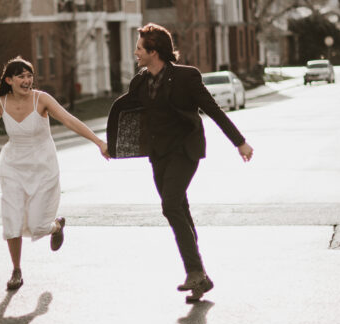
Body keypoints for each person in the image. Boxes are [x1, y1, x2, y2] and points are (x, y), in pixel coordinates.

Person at [107, 24, 253, 302]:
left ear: (154, 51)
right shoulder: (139, 82)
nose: (135, 52)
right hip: (158, 154)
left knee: (171, 205)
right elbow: (129, 116)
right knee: (180, 210)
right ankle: (201, 280)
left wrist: (239, 142)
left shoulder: (187, 77)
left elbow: (213, 110)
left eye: (139, 48)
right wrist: (111, 146)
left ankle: (194, 271)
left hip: (185, 151)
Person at [0, 56, 109, 290]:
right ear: (9, 80)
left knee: (38, 225)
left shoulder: (41, 100)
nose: (27, 80)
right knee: (12, 219)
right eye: (21, 76)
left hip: (43, 165)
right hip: (13, 166)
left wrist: (98, 142)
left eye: (29, 75)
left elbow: (69, 120)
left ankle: (56, 226)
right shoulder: (0, 104)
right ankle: (16, 270)